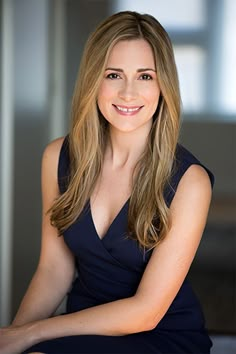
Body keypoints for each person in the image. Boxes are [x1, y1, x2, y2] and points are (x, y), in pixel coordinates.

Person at [0, 11, 214, 354]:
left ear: (164, 86)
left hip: (160, 336)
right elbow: (54, 269)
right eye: (113, 74)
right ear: (93, 80)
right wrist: (15, 336)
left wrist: (34, 334)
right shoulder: (58, 157)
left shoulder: (190, 182)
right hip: (78, 328)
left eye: (145, 76)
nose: (128, 92)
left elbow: (146, 311)